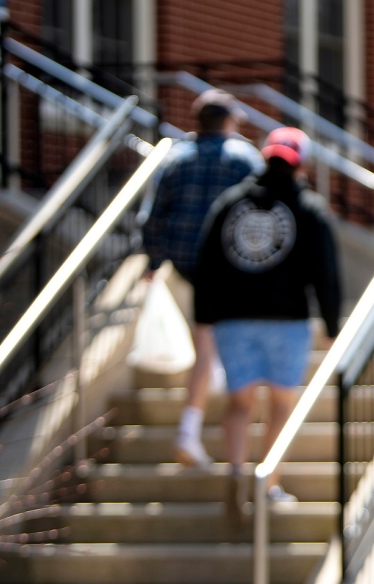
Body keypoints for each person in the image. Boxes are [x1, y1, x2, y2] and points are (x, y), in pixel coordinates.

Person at [193, 127, 341, 504]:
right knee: (280, 405)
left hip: (232, 319)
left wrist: (203, 316)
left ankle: (237, 474)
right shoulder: (308, 207)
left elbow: (206, 261)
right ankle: (268, 483)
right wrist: (331, 323)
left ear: (264, 157)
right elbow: (325, 268)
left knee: (240, 404)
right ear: (301, 164)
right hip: (287, 321)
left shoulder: (229, 202)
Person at [142, 89, 265, 469]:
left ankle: (193, 426)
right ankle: (193, 430)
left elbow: (154, 215)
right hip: (229, 268)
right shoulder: (245, 158)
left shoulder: (176, 158)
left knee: (204, 341)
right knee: (216, 344)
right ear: (228, 122)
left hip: (183, 266)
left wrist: (153, 260)